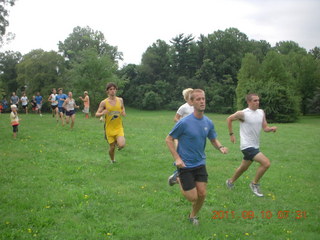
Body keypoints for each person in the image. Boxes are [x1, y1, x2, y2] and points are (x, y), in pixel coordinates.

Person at [165, 89, 228, 225]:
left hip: (200, 162)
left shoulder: (208, 122)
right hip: (185, 164)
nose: (202, 101)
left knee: (202, 194)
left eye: (203, 99)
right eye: (198, 99)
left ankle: (192, 216)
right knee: (193, 197)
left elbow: (213, 139)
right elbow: (169, 139)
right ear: (192, 102)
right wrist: (177, 158)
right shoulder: (184, 122)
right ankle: (177, 178)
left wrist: (221, 147)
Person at [225, 93, 277, 197]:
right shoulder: (243, 113)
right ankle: (254, 184)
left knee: (243, 168)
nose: (257, 102)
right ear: (249, 102)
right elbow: (229, 119)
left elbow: (265, 128)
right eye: (255, 100)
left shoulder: (261, 112)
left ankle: (230, 182)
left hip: (255, 145)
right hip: (246, 145)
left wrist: (270, 129)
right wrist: (231, 134)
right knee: (266, 163)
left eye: (258, 100)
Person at [168, 88, 194, 186]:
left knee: (190, 156)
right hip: (182, 134)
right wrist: (182, 124)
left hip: (192, 136)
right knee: (183, 155)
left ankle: (177, 175)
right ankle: (177, 175)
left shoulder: (195, 107)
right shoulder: (184, 107)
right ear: (187, 97)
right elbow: (176, 118)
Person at [95, 82, 126, 164]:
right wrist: (102, 113)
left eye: (114, 89)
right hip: (109, 129)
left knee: (122, 145)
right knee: (112, 148)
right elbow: (96, 114)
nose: (113, 91)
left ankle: (118, 142)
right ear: (107, 91)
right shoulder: (104, 102)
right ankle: (112, 160)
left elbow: (122, 108)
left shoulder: (120, 100)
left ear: (116, 90)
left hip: (119, 127)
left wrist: (123, 112)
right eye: (110, 89)